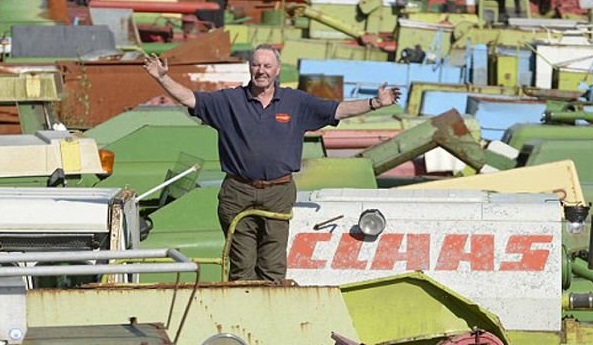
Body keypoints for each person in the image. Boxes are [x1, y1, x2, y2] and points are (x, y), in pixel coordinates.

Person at [143, 45, 401, 281]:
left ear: (277, 71)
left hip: (278, 192)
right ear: (249, 68)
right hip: (238, 191)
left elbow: (337, 110)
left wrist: (375, 103)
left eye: (267, 66)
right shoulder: (229, 101)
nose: (261, 71)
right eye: (256, 65)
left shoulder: (296, 102)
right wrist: (161, 77)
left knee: (272, 265)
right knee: (242, 264)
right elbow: (191, 99)